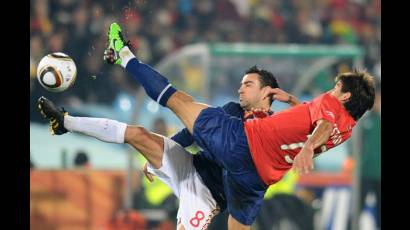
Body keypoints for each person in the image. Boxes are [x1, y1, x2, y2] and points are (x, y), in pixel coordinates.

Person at [101, 22, 376, 229]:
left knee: (176, 100)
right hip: (258, 178)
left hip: (243, 145)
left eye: (336, 87)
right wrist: (293, 101)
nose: (331, 89)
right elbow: (318, 122)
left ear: (346, 95)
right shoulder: (348, 126)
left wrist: (307, 148)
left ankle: (124, 55)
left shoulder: (331, 108)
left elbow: (322, 124)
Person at [37, 64, 298, 230]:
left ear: (267, 93)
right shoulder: (231, 110)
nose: (240, 89)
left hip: (206, 198)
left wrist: (294, 102)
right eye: (240, 83)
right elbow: (190, 133)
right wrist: (160, 154)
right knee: (139, 134)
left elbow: (308, 122)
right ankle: (65, 121)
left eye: (248, 84)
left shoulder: (273, 132)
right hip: (188, 165)